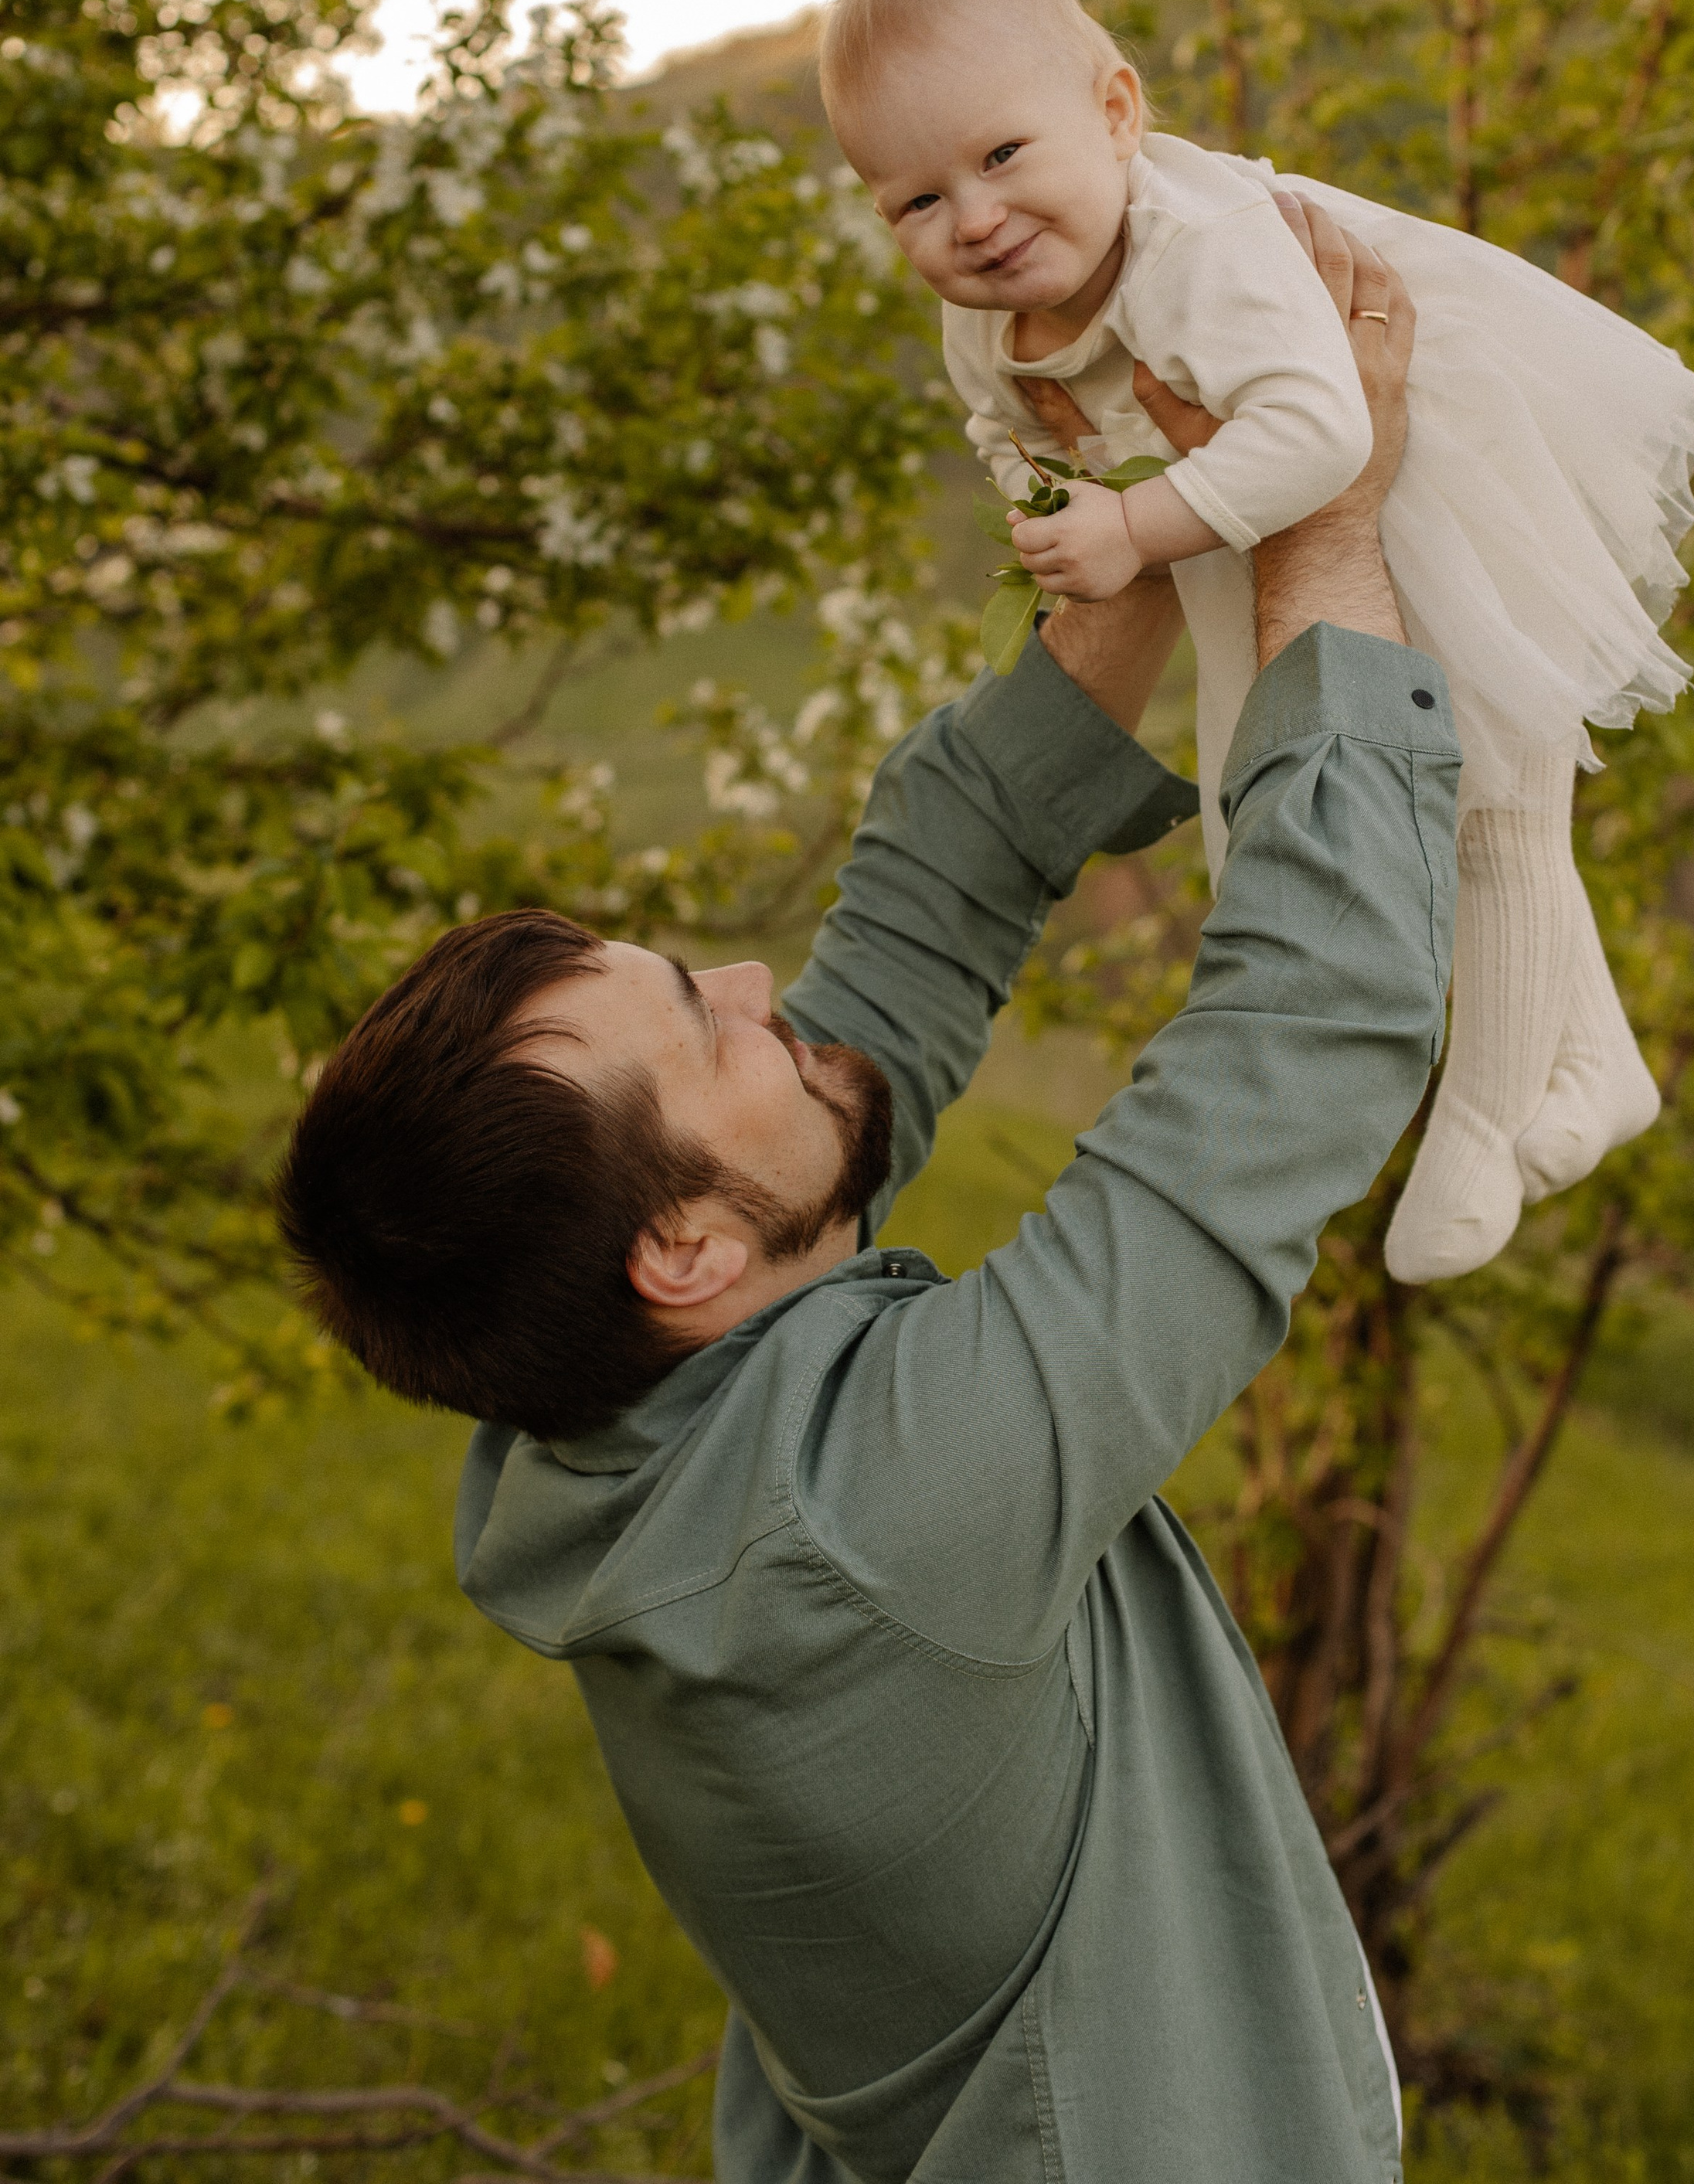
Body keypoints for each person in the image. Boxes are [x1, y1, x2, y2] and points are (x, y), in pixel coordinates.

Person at [277, 208, 1447, 2184]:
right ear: (684, 1248)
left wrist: (1142, 493)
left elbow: (922, 902)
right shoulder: (879, 1515)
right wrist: (1327, 525)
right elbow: (1304, 1035)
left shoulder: (613, 1407)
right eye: (697, 1023)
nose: (756, 989)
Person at [818, 0, 1694, 1284]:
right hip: (1234, 521)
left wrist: (1128, 522)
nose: (971, 219)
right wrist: (1046, 496)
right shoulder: (992, 308)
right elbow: (1005, 423)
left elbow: (1324, 432)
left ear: (1117, 111)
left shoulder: (1198, 248)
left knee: (1490, 784)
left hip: (1429, 470)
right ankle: (1595, 1064)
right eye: (915, 202)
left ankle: (1484, 1121)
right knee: (1268, 794)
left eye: (1003, 156)